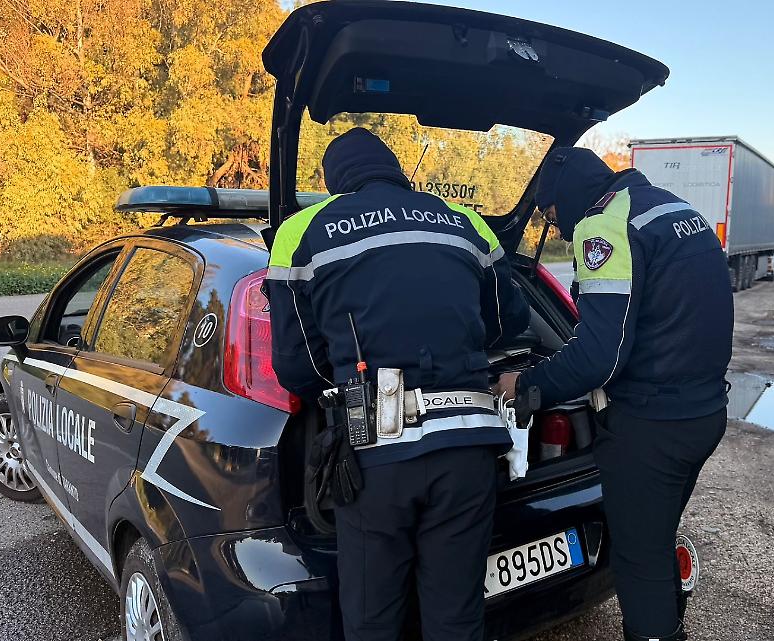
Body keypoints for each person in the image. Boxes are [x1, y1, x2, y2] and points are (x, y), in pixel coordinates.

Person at [266, 127, 530, 641]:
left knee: (373, 621)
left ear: (334, 181)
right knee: (457, 619)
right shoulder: (466, 222)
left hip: (377, 457)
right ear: (397, 170)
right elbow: (507, 320)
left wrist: (348, 376)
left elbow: (295, 364)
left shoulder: (302, 232)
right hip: (468, 449)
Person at [494, 147, 733, 641]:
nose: (557, 231)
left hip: (650, 427)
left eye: (553, 215)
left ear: (571, 196)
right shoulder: (673, 209)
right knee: (655, 540)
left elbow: (601, 357)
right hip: (704, 413)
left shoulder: (605, 224)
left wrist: (527, 385)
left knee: (638, 565)